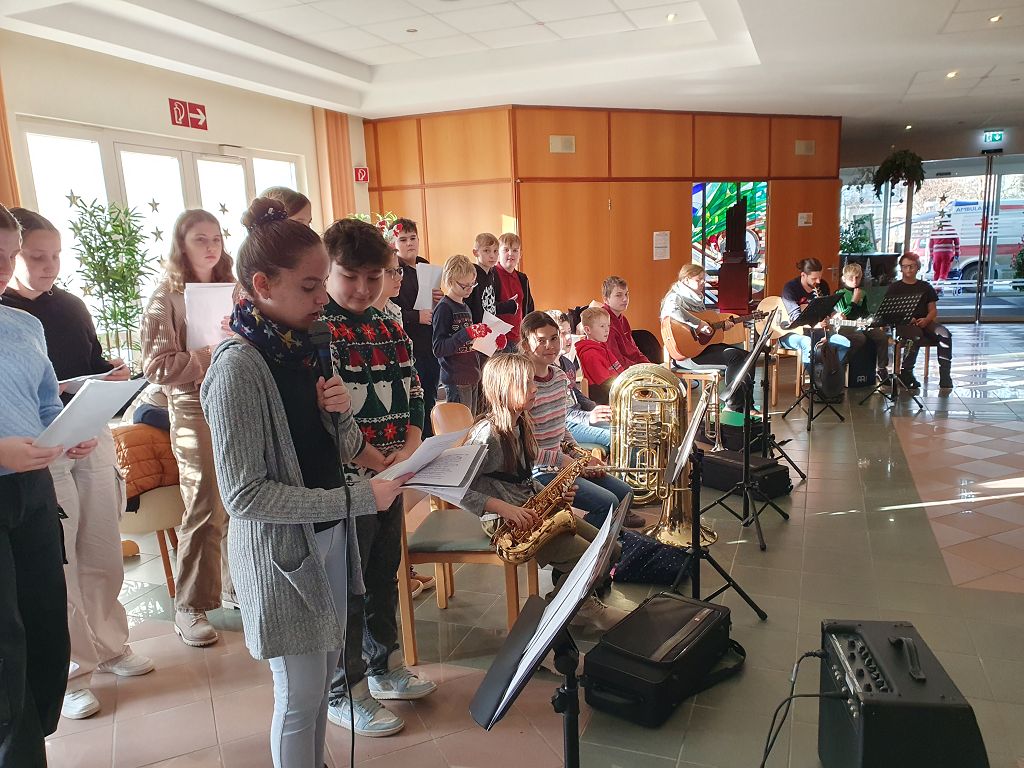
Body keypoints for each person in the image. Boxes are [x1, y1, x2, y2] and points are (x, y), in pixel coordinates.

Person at [200, 198, 410, 768]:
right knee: (299, 697)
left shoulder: (307, 346)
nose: (323, 300)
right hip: (283, 554)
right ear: (262, 285)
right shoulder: (238, 368)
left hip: (328, 534)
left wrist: (337, 412)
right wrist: (360, 497)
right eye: (311, 286)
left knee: (321, 685)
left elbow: (338, 444)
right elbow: (245, 495)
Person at [3, 208, 154, 721]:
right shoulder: (8, 313)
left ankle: (111, 645)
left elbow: (88, 364)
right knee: (58, 562)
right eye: (35, 257)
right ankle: (72, 670)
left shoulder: (68, 306)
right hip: (35, 451)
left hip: (87, 433)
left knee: (101, 547)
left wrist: (111, 374)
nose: (48, 266)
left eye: (55, 256)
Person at [319, 217, 437, 738]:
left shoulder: (390, 323)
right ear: (327, 270)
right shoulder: (321, 329)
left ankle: (384, 667)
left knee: (385, 572)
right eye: (351, 277)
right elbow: (329, 417)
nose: (364, 289)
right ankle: (345, 692)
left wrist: (409, 447)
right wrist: (373, 459)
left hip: (393, 472)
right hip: (350, 483)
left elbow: (415, 389)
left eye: (375, 276)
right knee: (350, 586)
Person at [0, 203, 92, 767]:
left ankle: (32, 742)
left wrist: (67, 434)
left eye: (8, 256)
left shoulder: (22, 325)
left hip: (33, 494)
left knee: (42, 629)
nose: (4, 268)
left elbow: (42, 406)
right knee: (4, 645)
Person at [462, 353, 627, 632]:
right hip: (505, 521)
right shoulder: (487, 435)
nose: (534, 388)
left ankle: (567, 603)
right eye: (526, 383)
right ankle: (573, 608)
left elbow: (523, 479)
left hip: (528, 507)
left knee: (611, 549)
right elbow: (460, 489)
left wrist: (553, 495)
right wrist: (506, 509)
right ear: (503, 388)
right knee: (585, 556)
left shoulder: (521, 423)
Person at [140, 209, 236, 646]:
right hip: (192, 406)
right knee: (204, 504)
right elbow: (157, 367)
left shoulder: (234, 289)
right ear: (181, 244)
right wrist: (208, 352)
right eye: (200, 239)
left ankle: (233, 586)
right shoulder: (165, 298)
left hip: (234, 399)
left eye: (216, 238)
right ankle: (189, 605)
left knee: (238, 498)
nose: (211, 246)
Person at [520, 311, 642, 529]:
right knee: (608, 503)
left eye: (554, 338)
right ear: (526, 345)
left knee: (626, 493)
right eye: (541, 340)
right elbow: (524, 450)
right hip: (538, 472)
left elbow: (562, 427)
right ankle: (585, 544)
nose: (550, 346)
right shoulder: (522, 385)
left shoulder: (559, 377)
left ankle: (599, 537)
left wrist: (582, 457)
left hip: (562, 464)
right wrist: (568, 462)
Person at [369, 243, 435, 595]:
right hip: (370, 456)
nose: (398, 277)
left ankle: (400, 568)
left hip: (397, 445)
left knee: (395, 515)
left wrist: (411, 444)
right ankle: (397, 572)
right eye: (390, 271)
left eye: (398, 270)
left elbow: (413, 386)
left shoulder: (392, 314)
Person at [660, 264, 754, 413]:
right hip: (688, 356)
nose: (703, 283)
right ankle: (732, 406)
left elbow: (706, 330)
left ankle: (747, 406)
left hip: (703, 349)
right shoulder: (675, 297)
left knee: (749, 357)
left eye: (703, 279)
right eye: (699, 280)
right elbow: (673, 311)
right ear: (685, 280)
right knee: (735, 357)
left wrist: (721, 326)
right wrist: (698, 324)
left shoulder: (696, 299)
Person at [392, 218, 441, 437]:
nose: (409, 243)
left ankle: (430, 439)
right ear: (394, 243)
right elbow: (390, 309)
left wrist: (438, 298)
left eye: (413, 238)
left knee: (431, 395)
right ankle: (419, 440)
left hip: (429, 340)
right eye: (403, 239)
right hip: (409, 343)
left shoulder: (424, 264)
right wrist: (415, 316)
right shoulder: (394, 270)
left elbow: (429, 300)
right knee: (416, 398)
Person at [887, 252, 954, 390]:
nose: (908, 269)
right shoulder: (894, 287)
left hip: (925, 321)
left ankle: (945, 375)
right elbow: (890, 311)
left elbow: (933, 310)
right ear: (901, 268)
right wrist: (907, 318)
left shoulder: (926, 287)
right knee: (915, 334)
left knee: (945, 334)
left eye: (911, 266)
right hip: (904, 324)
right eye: (905, 266)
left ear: (918, 267)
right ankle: (906, 372)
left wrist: (927, 319)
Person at [433, 254, 489, 414]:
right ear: (450, 281)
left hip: (472, 375)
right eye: (465, 286)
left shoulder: (465, 307)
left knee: (472, 422)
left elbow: (470, 343)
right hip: (456, 379)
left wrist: (490, 341)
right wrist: (466, 333)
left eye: (472, 284)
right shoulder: (444, 308)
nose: (469, 289)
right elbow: (438, 348)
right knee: (461, 425)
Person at [550, 311, 612, 451]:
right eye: (562, 333)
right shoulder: (547, 370)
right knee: (618, 437)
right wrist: (588, 417)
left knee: (623, 429)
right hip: (565, 425)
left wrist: (595, 408)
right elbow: (559, 412)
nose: (568, 337)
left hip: (579, 417)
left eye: (569, 332)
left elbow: (575, 393)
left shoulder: (567, 363)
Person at [778, 257, 853, 365]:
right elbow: (795, 318)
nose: (818, 281)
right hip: (792, 332)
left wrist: (835, 315)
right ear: (803, 275)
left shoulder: (822, 285)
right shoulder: (790, 288)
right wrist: (815, 325)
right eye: (814, 278)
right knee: (807, 342)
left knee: (844, 343)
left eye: (820, 277)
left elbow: (827, 308)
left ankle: (831, 372)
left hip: (817, 332)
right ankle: (816, 375)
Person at [833, 262, 890, 381]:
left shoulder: (862, 293)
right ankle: (842, 363)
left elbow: (864, 312)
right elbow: (844, 315)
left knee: (882, 337)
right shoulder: (839, 294)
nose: (855, 281)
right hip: (846, 326)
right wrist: (854, 301)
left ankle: (881, 368)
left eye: (857, 277)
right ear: (844, 279)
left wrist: (871, 319)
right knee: (860, 338)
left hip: (861, 324)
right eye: (851, 278)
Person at [574, 306, 624, 405]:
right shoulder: (590, 354)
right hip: (603, 397)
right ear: (588, 330)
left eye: (608, 326)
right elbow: (605, 383)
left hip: (613, 390)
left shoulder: (602, 347)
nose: (607, 330)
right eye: (602, 326)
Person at [494, 232, 534, 349]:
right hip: (497, 341)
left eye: (515, 250)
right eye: (506, 250)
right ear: (498, 253)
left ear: (520, 254)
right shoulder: (491, 275)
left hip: (519, 340)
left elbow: (529, 308)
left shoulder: (522, 278)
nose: (511, 254)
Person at [467, 232, 517, 324]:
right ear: (475, 252)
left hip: (489, 327)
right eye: (486, 250)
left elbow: (489, 306)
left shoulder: (491, 275)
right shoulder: (471, 275)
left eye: (495, 251)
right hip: (475, 328)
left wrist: (508, 305)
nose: (492, 255)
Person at [602, 276, 649, 367]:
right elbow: (616, 360)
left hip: (631, 366)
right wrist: (641, 368)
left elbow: (634, 351)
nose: (625, 299)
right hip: (619, 371)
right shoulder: (603, 321)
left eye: (626, 294)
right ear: (606, 299)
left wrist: (649, 365)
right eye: (618, 295)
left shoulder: (623, 319)